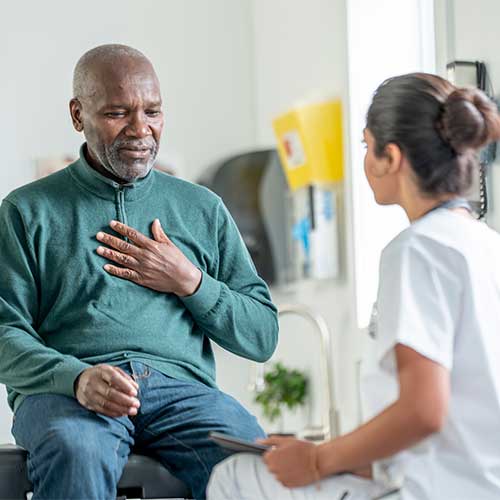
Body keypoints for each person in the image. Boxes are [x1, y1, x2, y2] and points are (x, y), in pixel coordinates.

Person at [0, 44, 278, 500]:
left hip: (181, 394)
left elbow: (262, 335)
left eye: (153, 111)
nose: (140, 129)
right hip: (69, 394)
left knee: (252, 460)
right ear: (77, 114)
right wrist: (76, 378)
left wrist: (191, 282)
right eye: (117, 113)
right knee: (76, 450)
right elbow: (4, 331)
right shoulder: (26, 211)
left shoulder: (202, 208)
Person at [207, 73, 500, 500]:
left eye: (366, 146)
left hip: (430, 492)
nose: (364, 161)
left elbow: (423, 412)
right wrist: (324, 452)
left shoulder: (417, 250)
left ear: (391, 157)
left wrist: (316, 461)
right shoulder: (487, 243)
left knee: (234, 477)